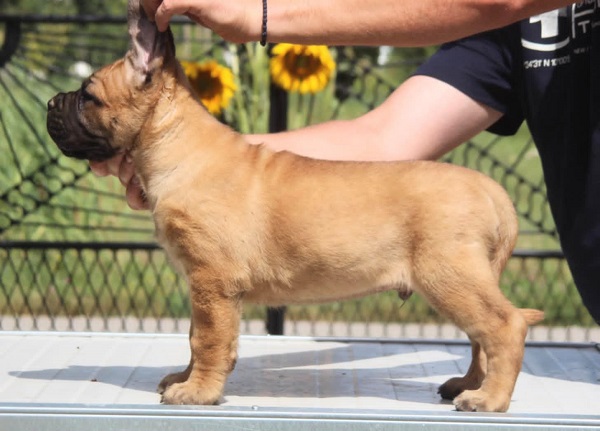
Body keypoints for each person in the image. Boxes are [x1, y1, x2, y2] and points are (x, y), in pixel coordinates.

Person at [91, 1, 600, 323]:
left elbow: (493, 0)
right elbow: (381, 139)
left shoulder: (504, 7)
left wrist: (263, 16)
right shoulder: (519, 27)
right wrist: (190, 164)